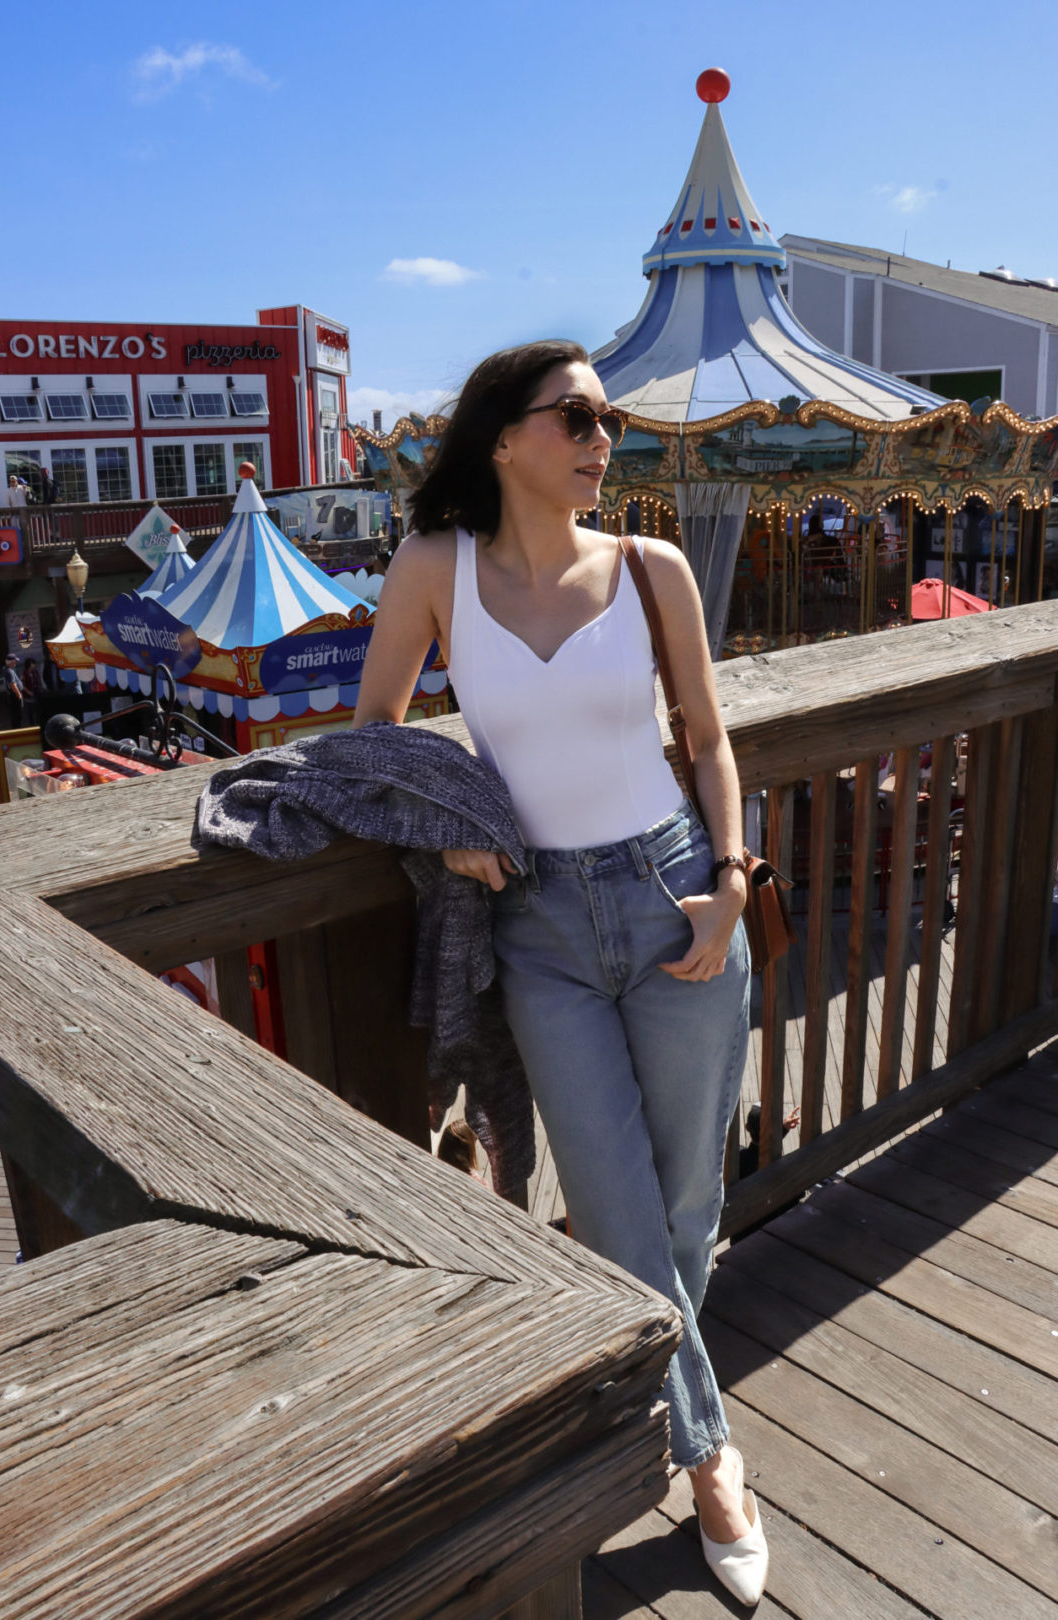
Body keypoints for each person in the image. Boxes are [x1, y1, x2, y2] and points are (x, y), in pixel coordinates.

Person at [353, 340, 766, 1605]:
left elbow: (706, 733)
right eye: (577, 416)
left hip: (671, 889)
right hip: (537, 920)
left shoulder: (651, 569)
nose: (603, 438)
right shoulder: (437, 569)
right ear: (503, 439)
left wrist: (736, 881)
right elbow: (374, 735)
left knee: (686, 1201)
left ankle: (655, 1414)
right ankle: (712, 1461)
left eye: (609, 418)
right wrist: (451, 819)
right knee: (617, 1202)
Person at [1, 654, 24, 726]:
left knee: (15, 715)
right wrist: (19, 695)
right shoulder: (9, 671)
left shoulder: (6, 669)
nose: (15, 663)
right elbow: (12, 684)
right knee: (17, 715)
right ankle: (17, 730)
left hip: (12, 695)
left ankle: (17, 728)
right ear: (11, 662)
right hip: (14, 696)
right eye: (15, 661)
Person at [21, 657, 45, 724]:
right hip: (28, 695)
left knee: (38, 710)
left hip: (37, 693)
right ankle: (31, 724)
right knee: (30, 711)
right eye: (32, 664)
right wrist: (28, 692)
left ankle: (39, 722)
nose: (34, 665)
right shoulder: (24, 673)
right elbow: (22, 684)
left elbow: (38, 680)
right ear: (29, 664)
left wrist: (40, 688)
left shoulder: (35, 671)